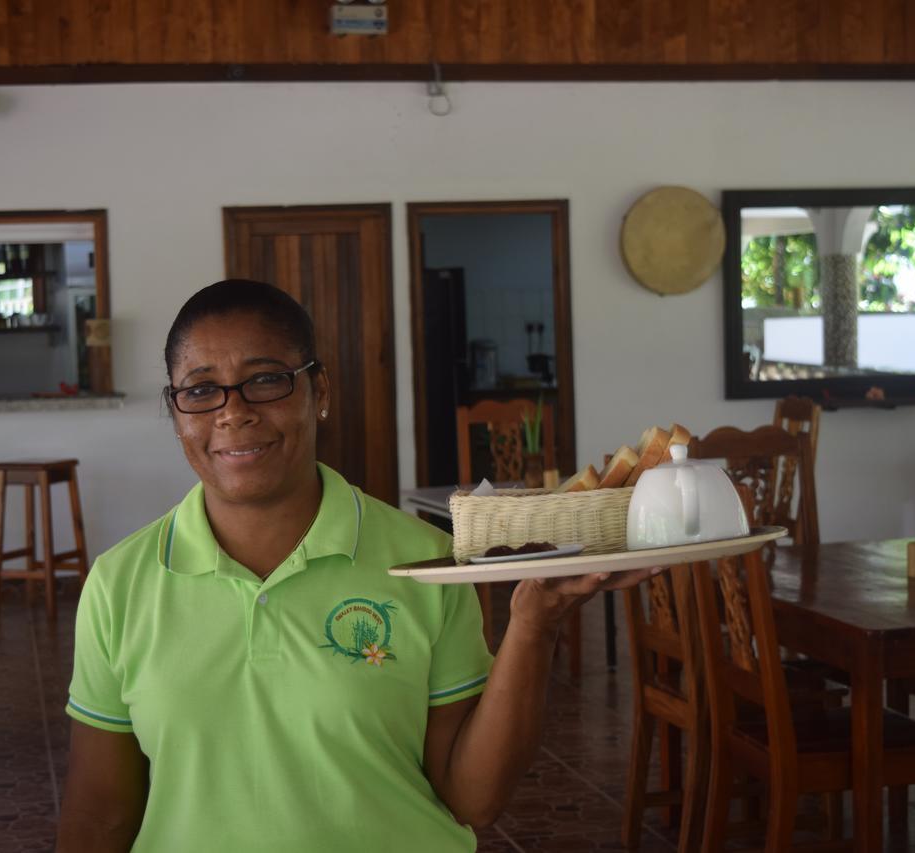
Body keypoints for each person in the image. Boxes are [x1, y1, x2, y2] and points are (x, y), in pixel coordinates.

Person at [57, 279, 654, 852]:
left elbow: (474, 800)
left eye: (265, 380)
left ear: (320, 391)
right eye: (200, 388)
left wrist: (534, 623)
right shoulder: (120, 584)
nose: (232, 413)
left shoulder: (424, 560)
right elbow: (100, 812)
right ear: (177, 410)